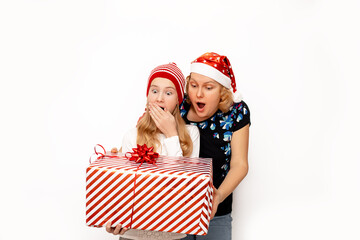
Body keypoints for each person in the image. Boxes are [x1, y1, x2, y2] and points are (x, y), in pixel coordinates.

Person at [105, 63, 200, 239]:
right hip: (132, 236)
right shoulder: (132, 136)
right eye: (154, 91)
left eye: (169, 93)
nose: (159, 99)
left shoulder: (191, 134)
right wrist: (115, 218)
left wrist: (172, 134)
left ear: (178, 100)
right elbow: (125, 193)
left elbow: (185, 190)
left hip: (173, 236)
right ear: (147, 96)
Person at [178, 52, 251, 240]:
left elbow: (240, 164)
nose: (199, 94)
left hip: (217, 214)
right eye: (193, 86)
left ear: (222, 92)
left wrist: (217, 197)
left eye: (208, 87)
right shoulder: (178, 107)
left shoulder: (237, 112)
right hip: (176, 211)